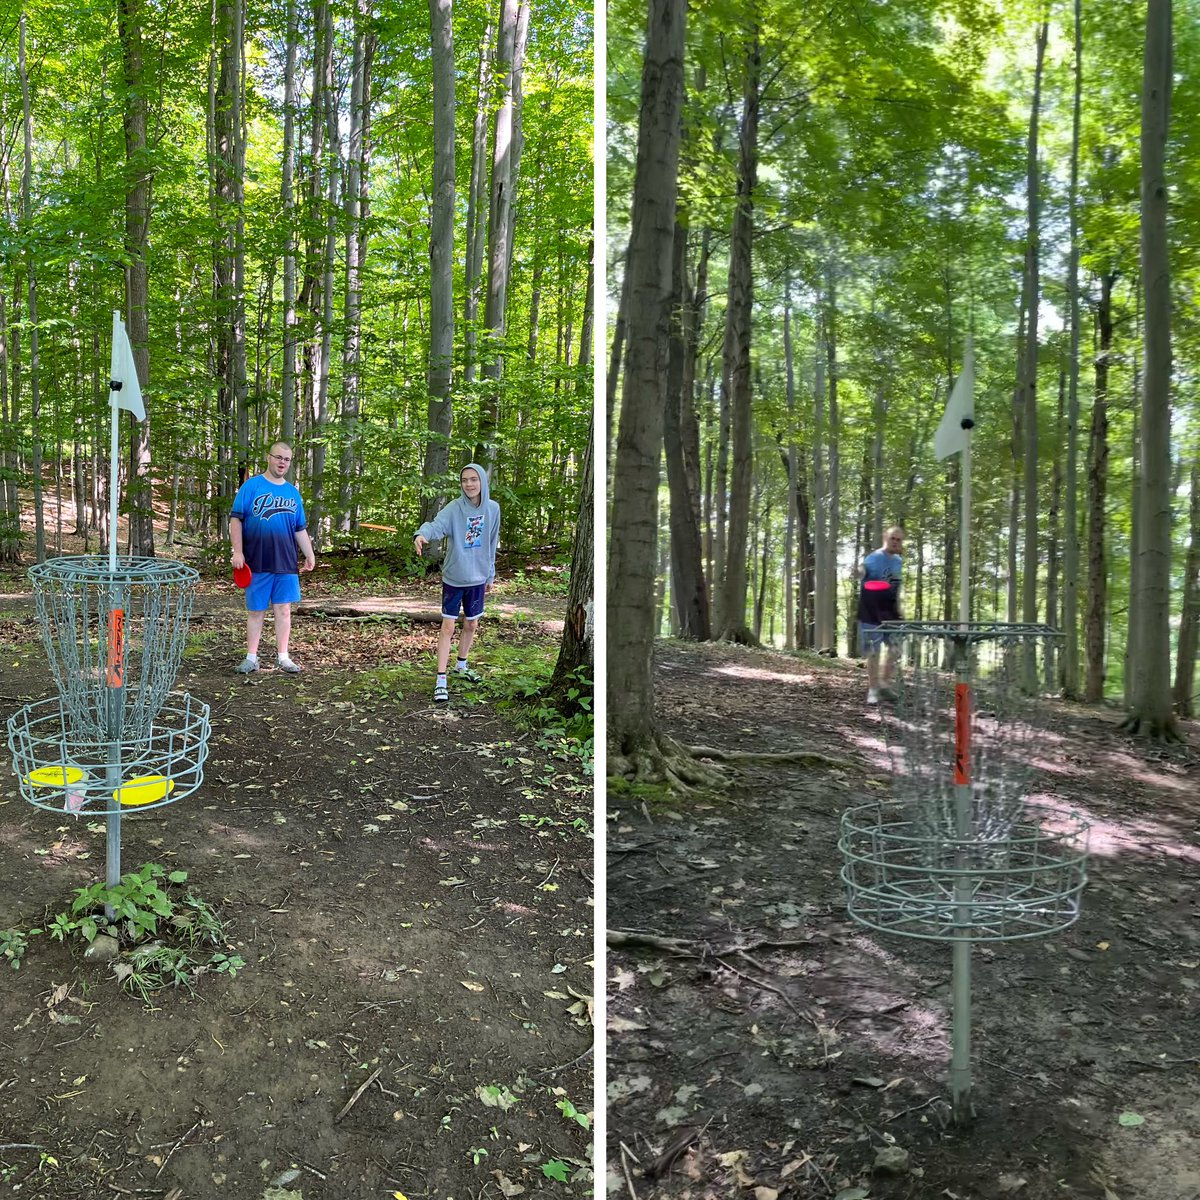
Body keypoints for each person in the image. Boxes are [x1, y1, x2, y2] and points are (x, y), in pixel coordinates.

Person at [413, 463, 501, 703]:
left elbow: (492, 543)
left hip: (478, 578)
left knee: (471, 625)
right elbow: (435, 526)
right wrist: (421, 535)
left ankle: (461, 666)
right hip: (454, 577)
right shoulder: (454, 509)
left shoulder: (493, 509)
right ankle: (441, 680)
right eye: (464, 480)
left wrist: (490, 574)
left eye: (474, 479)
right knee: (448, 628)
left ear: (482, 481)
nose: (469, 484)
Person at [229, 441, 316, 674]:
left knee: (284, 610)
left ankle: (283, 657)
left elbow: (299, 528)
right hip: (256, 560)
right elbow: (235, 520)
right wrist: (237, 551)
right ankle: (251, 657)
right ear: (269, 457)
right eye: (278, 457)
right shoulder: (251, 487)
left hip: (286, 563)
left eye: (286, 459)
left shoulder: (292, 492)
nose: (282, 463)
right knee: (256, 610)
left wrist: (309, 554)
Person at [858, 525, 904, 706]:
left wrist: (899, 609)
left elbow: (895, 587)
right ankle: (873, 689)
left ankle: (884, 683)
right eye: (892, 538)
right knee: (873, 652)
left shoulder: (898, 561)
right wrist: (858, 572)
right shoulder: (874, 558)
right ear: (885, 538)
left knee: (896, 647)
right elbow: (862, 570)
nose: (895, 542)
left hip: (890, 612)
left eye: (899, 539)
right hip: (870, 611)